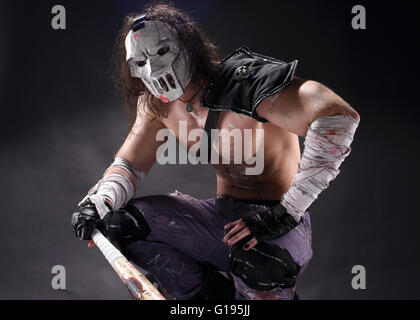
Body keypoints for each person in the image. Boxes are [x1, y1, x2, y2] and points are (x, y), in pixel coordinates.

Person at [71, 3, 360, 300]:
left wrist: (285, 213)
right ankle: (205, 300)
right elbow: (129, 166)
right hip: (222, 222)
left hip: (277, 231)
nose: (153, 68)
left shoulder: (245, 83)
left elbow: (337, 116)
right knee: (121, 224)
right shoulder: (157, 105)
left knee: (260, 264)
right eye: (140, 61)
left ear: (188, 47)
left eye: (161, 52)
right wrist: (99, 203)